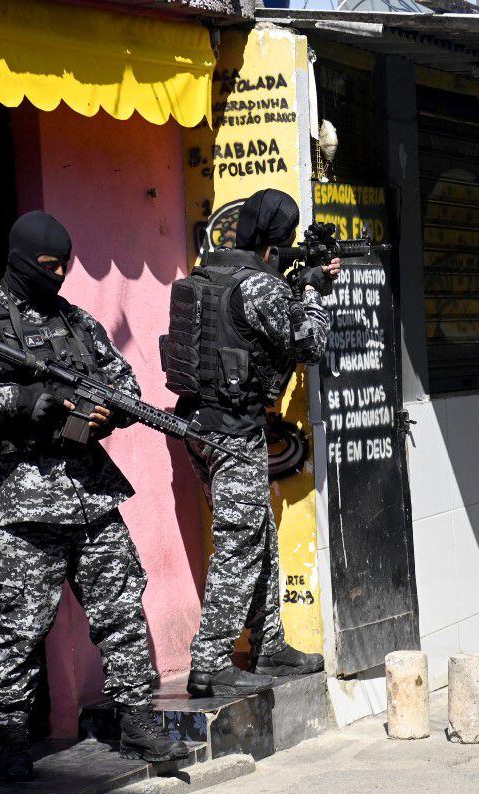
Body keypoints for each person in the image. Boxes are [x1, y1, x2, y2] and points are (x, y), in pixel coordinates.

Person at [0, 211, 186, 782]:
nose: (60, 276)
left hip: (91, 497)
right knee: (18, 627)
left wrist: (106, 414)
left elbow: (122, 384)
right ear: (21, 261)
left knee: (121, 610)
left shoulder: (76, 322)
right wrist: (22, 402)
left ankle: (137, 719)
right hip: (24, 508)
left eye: (65, 266)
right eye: (49, 267)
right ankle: (12, 739)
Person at [169, 189, 336, 698]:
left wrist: (292, 284)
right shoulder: (261, 288)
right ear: (277, 239)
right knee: (241, 544)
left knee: (257, 534)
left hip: (199, 426)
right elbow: (309, 342)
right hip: (234, 431)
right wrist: (311, 292)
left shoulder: (207, 274)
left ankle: (269, 644)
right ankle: (211, 662)